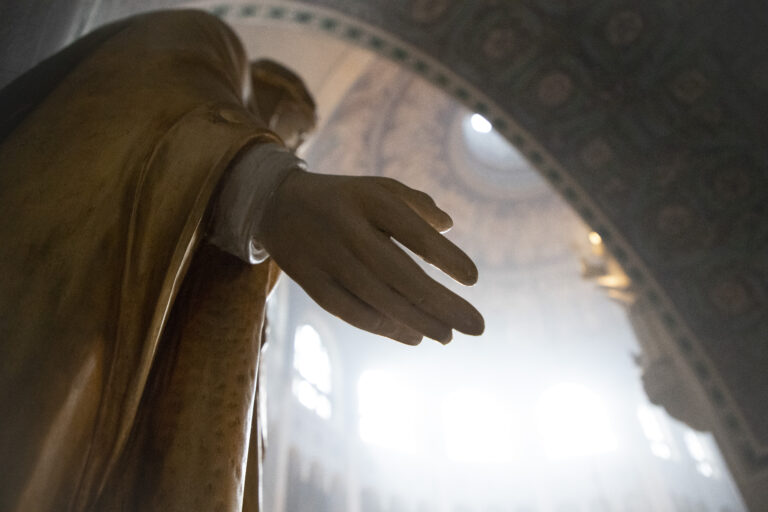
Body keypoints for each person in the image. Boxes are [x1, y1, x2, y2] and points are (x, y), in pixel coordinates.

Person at [0, 9, 483, 512]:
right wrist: (265, 187)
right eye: (291, 131)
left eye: (295, 141)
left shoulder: (251, 250)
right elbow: (131, 91)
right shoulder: (210, 43)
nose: (288, 143)